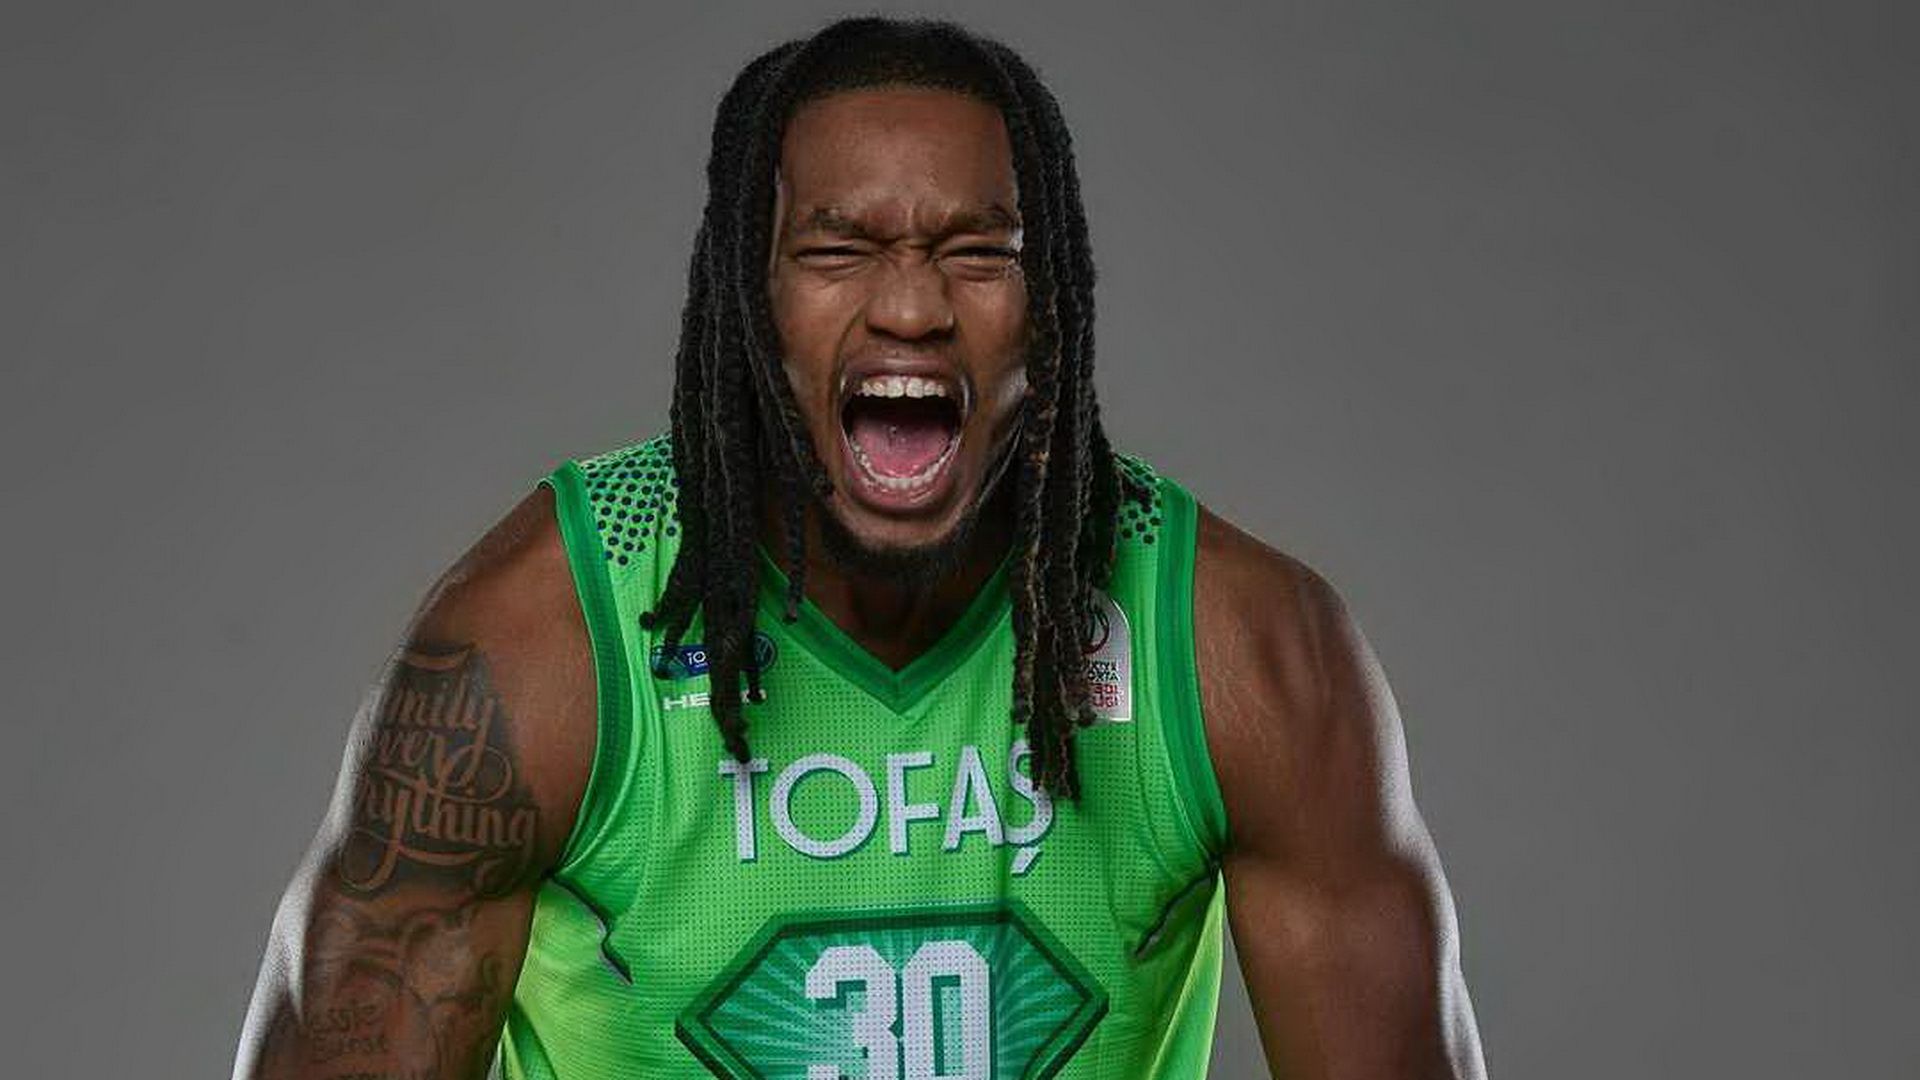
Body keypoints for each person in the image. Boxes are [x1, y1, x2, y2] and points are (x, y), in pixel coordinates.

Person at [232, 15, 1486, 1079]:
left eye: (980, 254)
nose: (912, 307)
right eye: (837, 250)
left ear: (1053, 300)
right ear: (750, 293)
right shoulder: (541, 644)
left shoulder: (1238, 650)